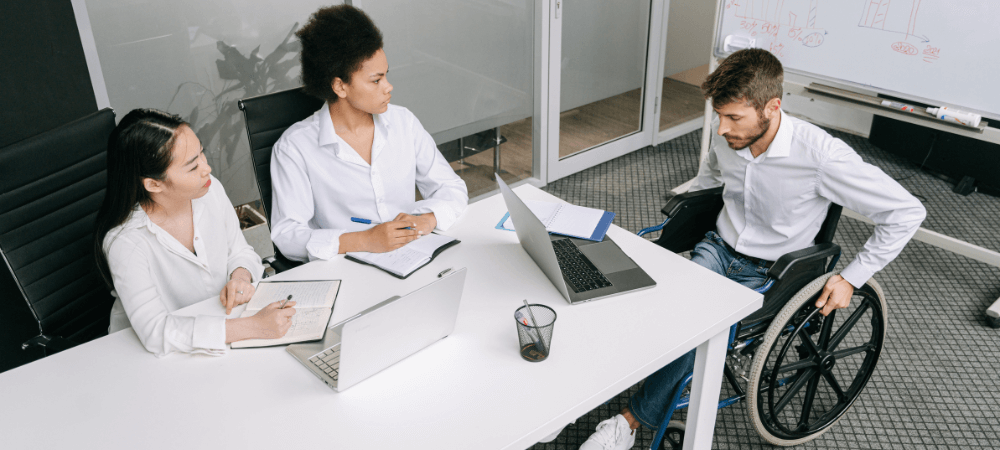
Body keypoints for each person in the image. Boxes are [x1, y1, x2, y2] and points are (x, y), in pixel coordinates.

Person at [578, 49, 926, 449]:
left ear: (772, 107)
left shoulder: (820, 157)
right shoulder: (730, 138)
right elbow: (709, 181)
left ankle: (630, 422)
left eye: (733, 118)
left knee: (695, 328)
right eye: (718, 115)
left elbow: (906, 212)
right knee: (645, 295)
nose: (722, 129)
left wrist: (853, 277)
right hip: (717, 247)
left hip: (771, 274)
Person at [270, 4, 469, 262]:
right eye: (376, 80)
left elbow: (451, 187)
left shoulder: (403, 123)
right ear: (340, 86)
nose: (388, 87)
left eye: (386, 75)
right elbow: (287, 235)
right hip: (348, 271)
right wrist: (365, 240)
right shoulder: (295, 148)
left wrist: (427, 220)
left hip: (413, 257)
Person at [94, 109, 297, 357]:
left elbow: (240, 251)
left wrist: (240, 277)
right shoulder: (126, 241)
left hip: (217, 327)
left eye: (201, 153)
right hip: (149, 358)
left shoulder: (208, 191)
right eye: (192, 167)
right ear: (153, 184)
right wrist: (252, 327)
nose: (207, 168)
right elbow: (156, 331)